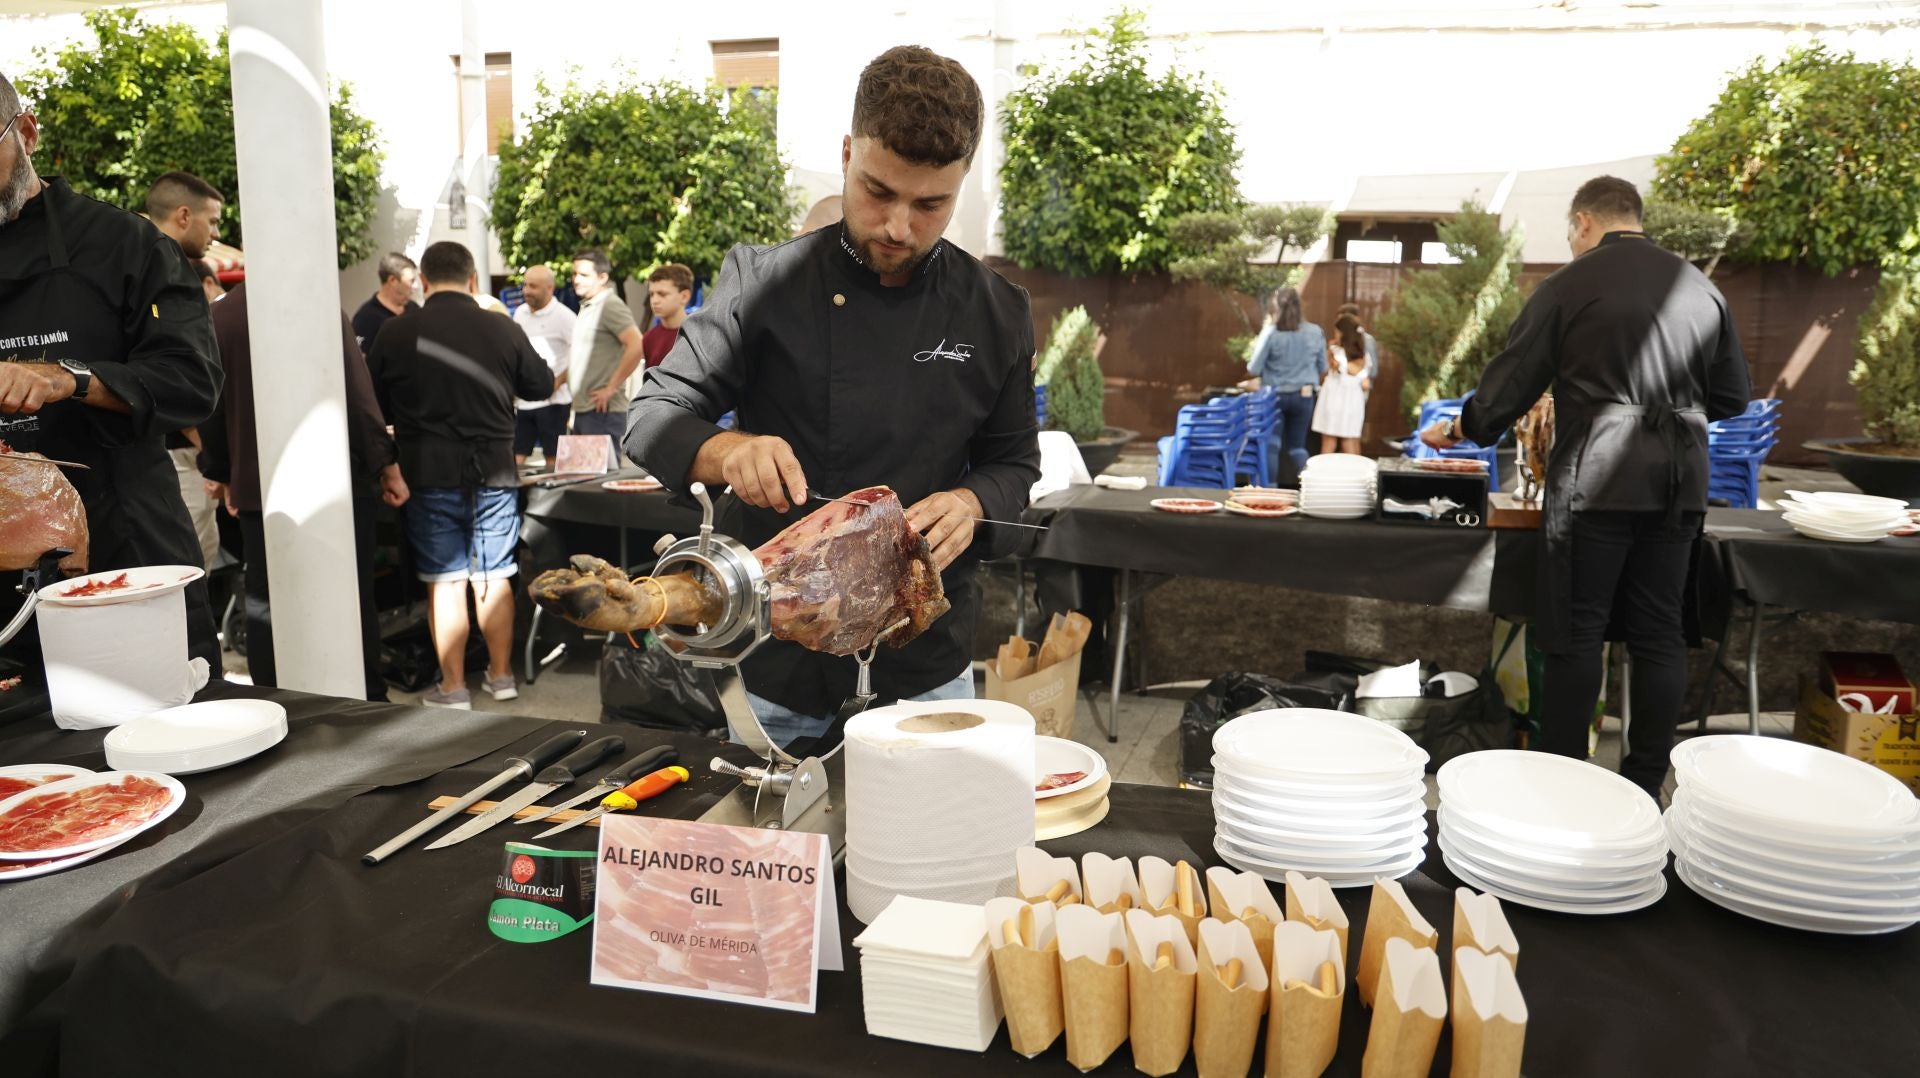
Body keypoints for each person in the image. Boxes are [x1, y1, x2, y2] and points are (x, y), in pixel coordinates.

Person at [628, 45, 1041, 748]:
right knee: (773, 847)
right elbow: (650, 417)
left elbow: (1014, 466)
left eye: (930, 203)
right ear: (848, 153)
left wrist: (973, 503)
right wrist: (732, 452)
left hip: (927, 663)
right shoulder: (764, 284)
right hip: (779, 657)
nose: (898, 227)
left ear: (962, 182)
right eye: (878, 191)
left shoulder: (996, 309)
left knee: (927, 850)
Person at [1421, 176, 1751, 798]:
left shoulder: (1570, 284)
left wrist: (1465, 426)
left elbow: (1516, 378)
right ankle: (1645, 785)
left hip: (1598, 474)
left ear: (1582, 223)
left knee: (1576, 632)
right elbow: (1732, 395)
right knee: (1658, 633)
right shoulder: (1701, 288)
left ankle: (1566, 786)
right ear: (1637, 217)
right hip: (1681, 475)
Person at [0, 71, 224, 689]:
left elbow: (192, 382)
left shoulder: (124, 244)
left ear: (26, 132)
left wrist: (66, 379)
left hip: (126, 547)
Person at [199, 281, 408, 700]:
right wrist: (386, 465)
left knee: (265, 599)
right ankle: (366, 697)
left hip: (261, 486)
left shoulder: (221, 316)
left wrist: (223, 473)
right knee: (349, 596)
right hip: (334, 485)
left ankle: (275, 700)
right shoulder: (319, 306)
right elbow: (358, 394)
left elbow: (212, 404)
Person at [367, 241, 550, 709]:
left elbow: (375, 406)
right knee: (494, 574)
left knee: (445, 580)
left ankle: (453, 688)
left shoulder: (395, 332)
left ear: (423, 282)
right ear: (472, 280)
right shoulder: (502, 328)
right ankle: (503, 676)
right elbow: (540, 384)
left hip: (427, 472)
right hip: (494, 470)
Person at [144, 170, 227, 572]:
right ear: (183, 215)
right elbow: (178, 376)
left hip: (171, 449)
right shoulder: (159, 271)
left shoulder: (151, 263)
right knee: (188, 566)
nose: (215, 233)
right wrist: (212, 453)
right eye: (211, 221)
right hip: (172, 452)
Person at [1246, 285, 1326, 481]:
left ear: (1276, 307)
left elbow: (1253, 369)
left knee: (1272, 445)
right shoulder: (1315, 332)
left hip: (1274, 396)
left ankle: (1270, 493)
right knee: (1298, 447)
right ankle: (1310, 488)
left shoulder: (1271, 333)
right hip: (1304, 395)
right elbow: (1323, 367)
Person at [566, 247, 643, 447]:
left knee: (600, 478)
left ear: (602, 277)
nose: (576, 279)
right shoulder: (588, 305)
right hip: (585, 411)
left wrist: (610, 388)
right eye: (574, 274)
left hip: (601, 411)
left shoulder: (609, 305)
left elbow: (636, 345)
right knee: (582, 477)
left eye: (583, 275)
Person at [510, 264, 573, 467]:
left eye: (533, 286)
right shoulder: (519, 313)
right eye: (525, 285)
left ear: (550, 288)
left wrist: (557, 383)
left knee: (553, 461)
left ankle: (551, 498)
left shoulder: (565, 316)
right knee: (516, 458)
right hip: (524, 400)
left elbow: (580, 356)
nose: (526, 290)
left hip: (554, 402)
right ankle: (519, 499)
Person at [1312, 314, 1370, 455]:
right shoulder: (1362, 355)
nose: (1335, 334)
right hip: (1353, 399)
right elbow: (1364, 380)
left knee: (1330, 441)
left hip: (1335, 398)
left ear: (1344, 333)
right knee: (1350, 440)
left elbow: (1356, 376)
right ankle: (1358, 475)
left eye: (1337, 331)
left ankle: (1324, 474)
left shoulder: (1337, 352)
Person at [351, 252, 420, 349]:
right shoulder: (366, 318)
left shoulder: (414, 309)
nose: (416, 286)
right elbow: (358, 358)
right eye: (411, 281)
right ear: (393, 281)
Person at [641, 262, 693, 371]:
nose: (654, 301)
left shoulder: (699, 335)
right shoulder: (648, 339)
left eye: (662, 294)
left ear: (684, 296)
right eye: (651, 294)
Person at [1336, 301, 1380, 382]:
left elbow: (1373, 370)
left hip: (1358, 387)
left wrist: (1359, 374)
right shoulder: (1338, 342)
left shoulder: (1367, 340)